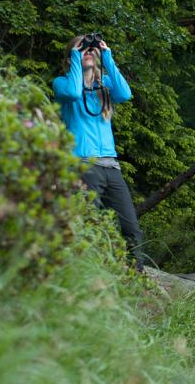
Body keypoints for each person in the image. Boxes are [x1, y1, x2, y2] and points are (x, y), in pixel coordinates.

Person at [53, 34, 146, 271]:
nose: (87, 51)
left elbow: (125, 94)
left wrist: (107, 56)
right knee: (86, 223)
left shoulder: (104, 87)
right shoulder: (62, 83)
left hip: (111, 167)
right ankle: (81, 273)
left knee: (130, 227)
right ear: (71, 56)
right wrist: (77, 53)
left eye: (90, 49)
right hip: (83, 164)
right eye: (82, 49)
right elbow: (74, 93)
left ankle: (137, 277)